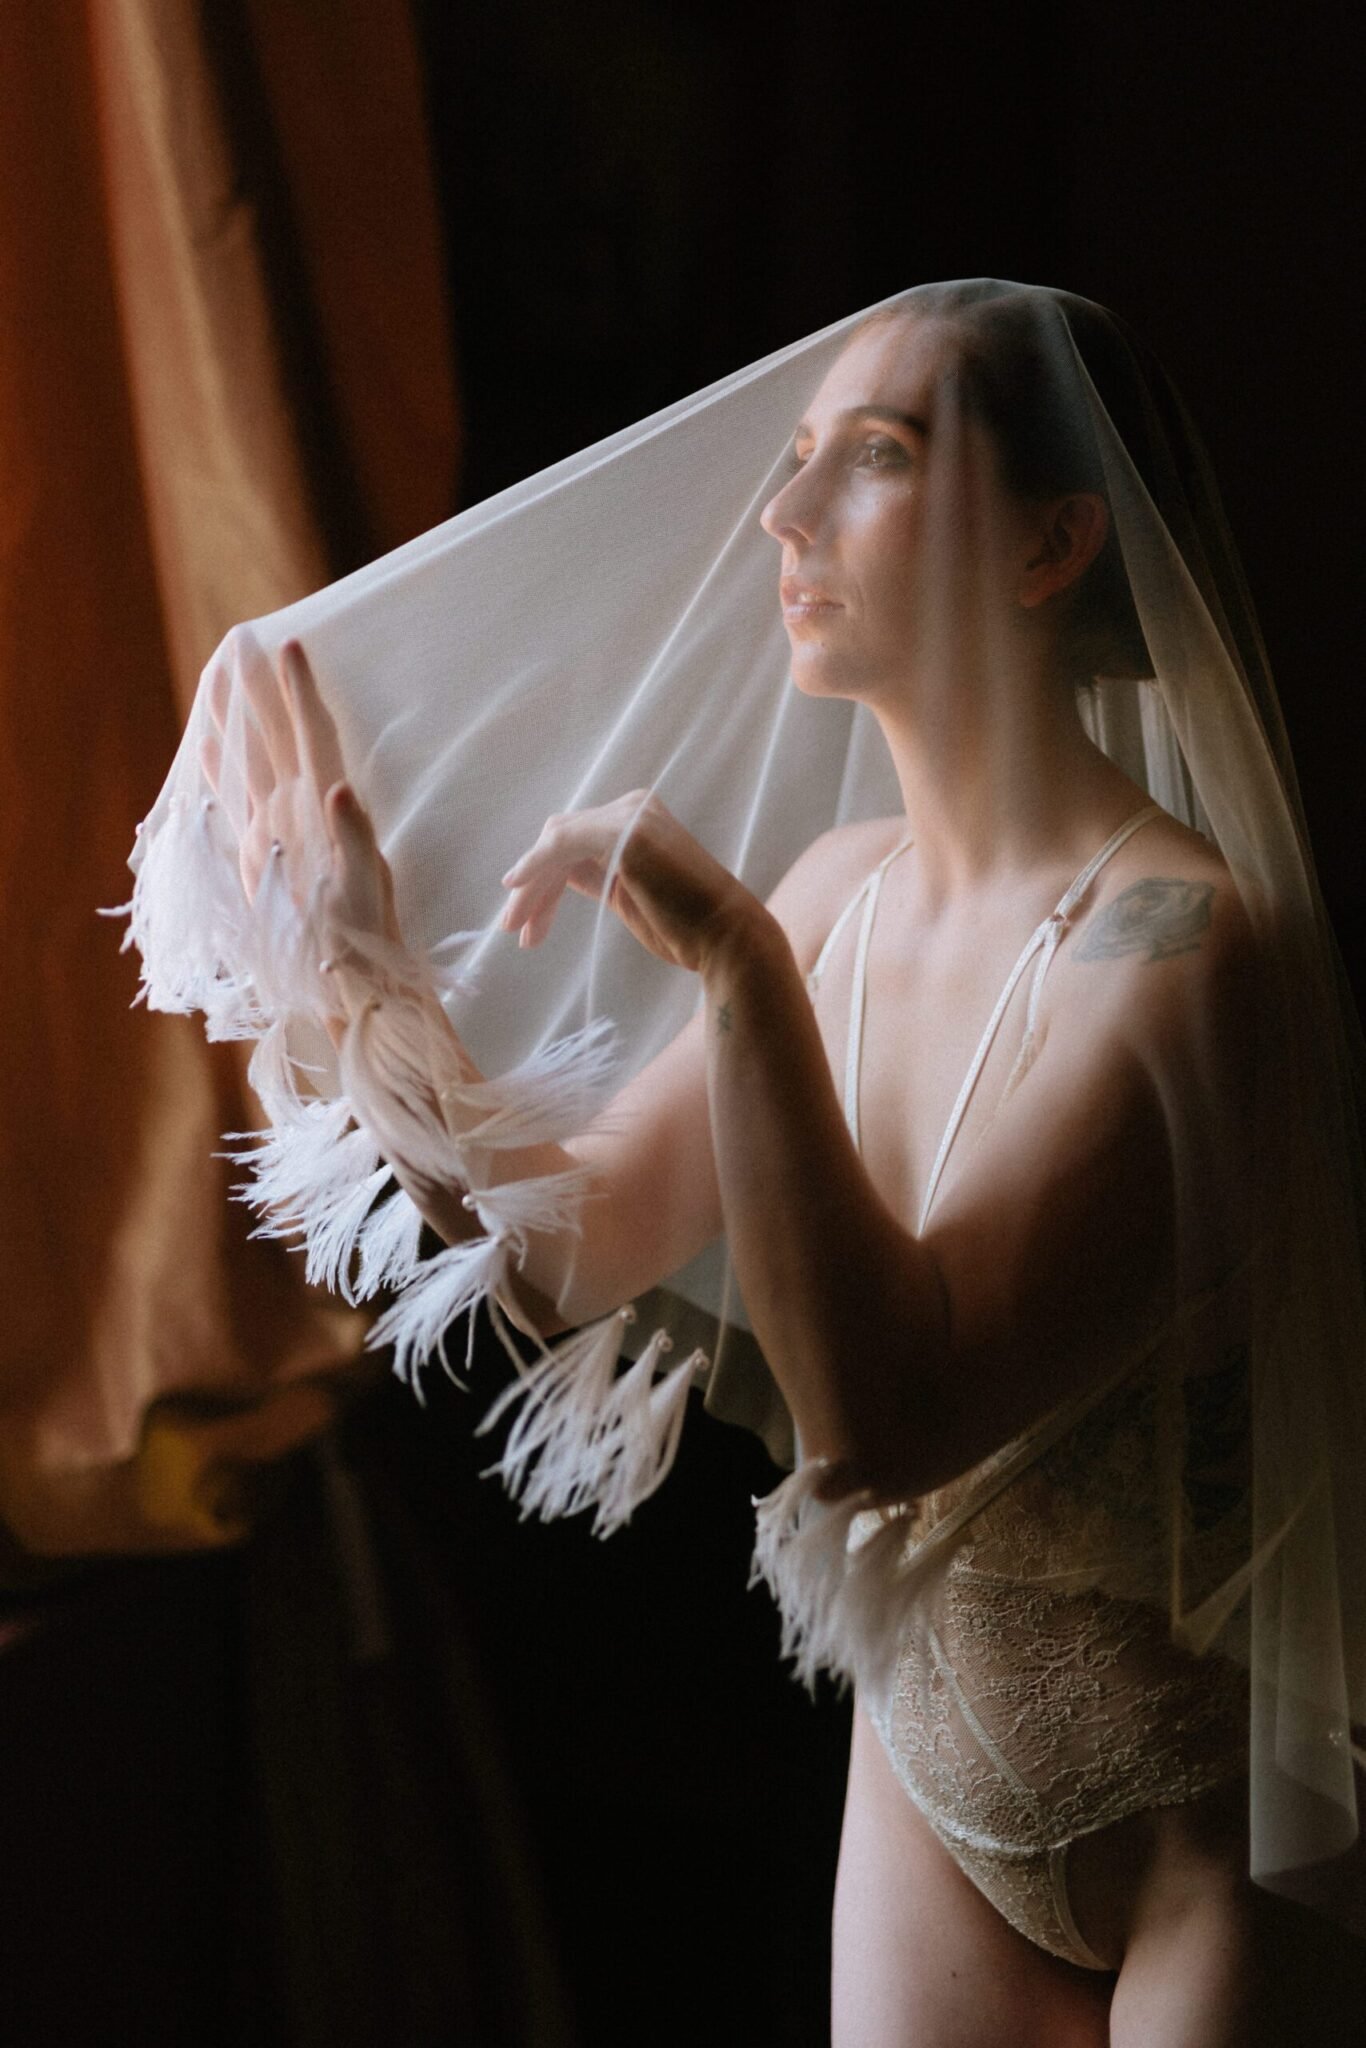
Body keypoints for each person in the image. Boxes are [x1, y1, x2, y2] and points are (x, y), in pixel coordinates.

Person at [124, 283, 1366, 2044]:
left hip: (1195, 1850)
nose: (782, 519)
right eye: (792, 465)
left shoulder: (1180, 945)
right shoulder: (839, 887)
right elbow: (575, 1251)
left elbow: (889, 1410)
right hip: (928, 1793)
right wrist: (358, 978)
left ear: (1049, 544)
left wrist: (736, 967)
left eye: (868, 462)